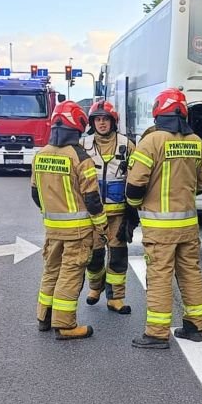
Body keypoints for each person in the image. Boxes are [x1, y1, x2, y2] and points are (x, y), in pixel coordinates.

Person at [125, 88, 202, 349]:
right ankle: (195, 327)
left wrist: (134, 207)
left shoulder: (151, 142)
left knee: (160, 277)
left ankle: (156, 333)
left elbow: (134, 186)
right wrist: (185, 192)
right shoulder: (197, 142)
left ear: (157, 112)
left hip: (160, 228)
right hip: (188, 225)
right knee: (190, 273)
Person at [31, 101, 108, 340]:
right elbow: (92, 199)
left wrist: (54, 211)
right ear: (78, 125)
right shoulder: (80, 158)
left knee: (51, 271)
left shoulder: (41, 154)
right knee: (70, 274)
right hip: (78, 231)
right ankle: (65, 325)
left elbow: (35, 194)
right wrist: (102, 225)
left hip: (52, 228)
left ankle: (44, 317)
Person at [81, 100, 135, 314]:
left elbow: (137, 176)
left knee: (118, 256)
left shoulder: (127, 144)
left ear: (114, 122)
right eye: (98, 119)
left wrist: (133, 212)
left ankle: (116, 297)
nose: (102, 123)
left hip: (118, 214)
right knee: (93, 257)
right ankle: (95, 288)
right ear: (92, 122)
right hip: (92, 215)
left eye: (105, 119)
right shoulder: (83, 145)